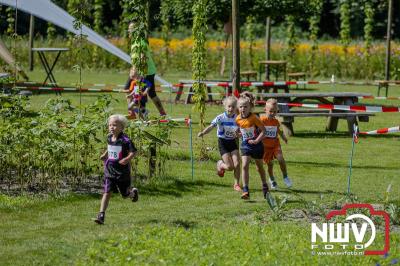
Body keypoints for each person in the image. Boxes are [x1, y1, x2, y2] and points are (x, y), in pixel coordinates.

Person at [94, 114, 139, 225]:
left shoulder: (125, 140)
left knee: (124, 195)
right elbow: (110, 147)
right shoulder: (109, 137)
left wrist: (127, 159)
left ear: (122, 127)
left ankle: (133, 193)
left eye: (114, 125)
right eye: (110, 125)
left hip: (122, 172)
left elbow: (134, 152)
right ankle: (101, 215)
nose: (111, 127)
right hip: (109, 170)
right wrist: (105, 154)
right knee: (107, 192)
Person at [235, 92, 274, 204]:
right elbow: (241, 129)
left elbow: (264, 131)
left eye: (245, 106)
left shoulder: (254, 118)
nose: (243, 109)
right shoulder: (237, 119)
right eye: (241, 106)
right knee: (245, 165)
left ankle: (264, 185)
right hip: (245, 145)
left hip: (257, 145)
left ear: (250, 107)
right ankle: (246, 190)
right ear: (238, 108)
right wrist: (238, 134)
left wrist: (257, 140)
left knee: (259, 167)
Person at [198, 96, 241, 192]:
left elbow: (240, 131)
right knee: (230, 167)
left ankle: (236, 184)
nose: (231, 109)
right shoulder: (220, 118)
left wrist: (239, 135)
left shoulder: (237, 119)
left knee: (237, 163)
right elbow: (211, 126)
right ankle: (220, 164)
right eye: (229, 106)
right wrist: (203, 133)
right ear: (225, 106)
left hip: (233, 142)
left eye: (233, 107)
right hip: (223, 142)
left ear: (236, 108)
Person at [127, 22, 167, 116]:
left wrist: (135, 69)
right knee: (141, 91)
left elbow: (143, 57)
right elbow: (135, 58)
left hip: (146, 71)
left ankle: (159, 114)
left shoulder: (140, 41)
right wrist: (132, 69)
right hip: (139, 72)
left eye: (131, 29)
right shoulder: (134, 42)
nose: (129, 31)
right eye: (129, 29)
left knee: (150, 93)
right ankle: (142, 112)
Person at [260, 99, 292, 189]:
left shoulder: (275, 121)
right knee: (270, 165)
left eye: (275, 112)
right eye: (270, 111)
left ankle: (285, 177)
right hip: (265, 147)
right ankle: (272, 180)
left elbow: (278, 130)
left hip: (275, 145)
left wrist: (283, 137)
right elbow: (257, 131)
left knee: (281, 160)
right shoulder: (261, 120)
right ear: (265, 110)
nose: (272, 113)